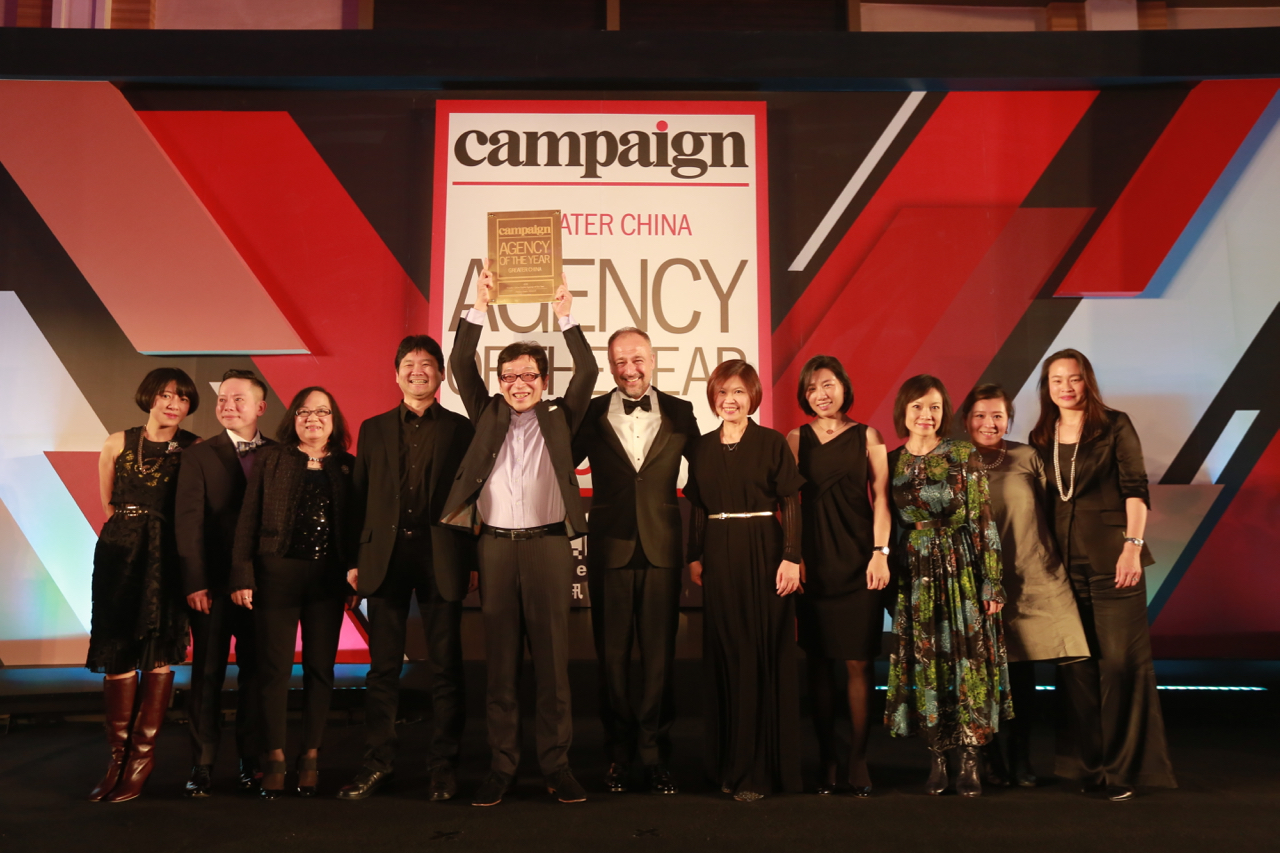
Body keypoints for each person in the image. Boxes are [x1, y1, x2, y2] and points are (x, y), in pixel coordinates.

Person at [440, 263, 597, 806]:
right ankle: (502, 768)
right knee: (500, 668)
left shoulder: (561, 417)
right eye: (509, 376)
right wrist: (479, 306)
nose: (519, 384)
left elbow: (588, 370)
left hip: (550, 547)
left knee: (553, 668)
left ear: (543, 381)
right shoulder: (486, 412)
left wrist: (566, 317)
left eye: (529, 375)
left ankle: (558, 767)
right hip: (496, 548)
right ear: (500, 382)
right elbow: (460, 361)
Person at [1028, 349, 1176, 801]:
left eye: (1073, 378)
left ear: (1087, 381)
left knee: (1120, 666)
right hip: (1062, 567)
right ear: (1046, 387)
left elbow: (1136, 489)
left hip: (1115, 561)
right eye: (1056, 380)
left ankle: (1124, 770)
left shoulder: (1115, 425)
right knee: (1076, 668)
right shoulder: (1041, 435)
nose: (1065, 387)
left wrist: (1132, 547)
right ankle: (1088, 767)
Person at [338, 336, 477, 802]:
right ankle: (378, 764)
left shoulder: (461, 429)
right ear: (396, 374)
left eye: (428, 363)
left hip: (442, 557)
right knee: (382, 670)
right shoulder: (373, 428)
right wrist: (354, 560)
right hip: (385, 559)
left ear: (441, 374)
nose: (418, 371)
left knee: (446, 669)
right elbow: (359, 497)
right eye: (409, 364)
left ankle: (444, 768)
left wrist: (471, 560)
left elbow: (475, 499)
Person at [572, 327, 700, 795]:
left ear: (653, 359)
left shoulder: (681, 411)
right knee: (612, 659)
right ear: (609, 366)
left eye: (638, 359)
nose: (630, 369)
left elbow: (707, 478)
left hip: (663, 548)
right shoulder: (590, 412)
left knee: (660, 658)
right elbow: (559, 463)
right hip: (609, 548)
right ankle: (618, 756)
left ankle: (655, 755)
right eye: (621, 361)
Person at [884, 374, 1008, 798]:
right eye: (918, 406)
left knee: (967, 660)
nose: (926, 414)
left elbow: (983, 519)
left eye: (934, 407)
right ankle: (937, 757)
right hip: (914, 572)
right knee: (927, 664)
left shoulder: (961, 454)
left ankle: (970, 760)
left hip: (961, 567)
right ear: (903, 410)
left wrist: (992, 582)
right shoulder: (892, 460)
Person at [959, 383, 1088, 788]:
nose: (989, 423)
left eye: (998, 415)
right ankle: (990, 757)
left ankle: (1021, 758)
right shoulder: (953, 461)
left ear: (1009, 420)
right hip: (974, 583)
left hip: (1030, 577)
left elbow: (1056, 510)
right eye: (980, 415)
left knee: (1022, 676)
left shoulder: (1027, 456)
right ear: (966, 420)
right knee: (981, 676)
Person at [686, 359, 804, 802]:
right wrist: (694, 556)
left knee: (758, 653)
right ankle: (726, 764)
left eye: (738, 392)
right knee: (726, 653)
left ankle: (757, 771)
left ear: (752, 396)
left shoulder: (771, 442)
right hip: (718, 555)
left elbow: (790, 501)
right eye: (722, 392)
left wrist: (791, 556)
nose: (729, 400)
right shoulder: (701, 447)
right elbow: (699, 507)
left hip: (764, 551)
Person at [231, 387, 357, 799]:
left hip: (328, 581)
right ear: (293, 419)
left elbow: (357, 527)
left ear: (334, 420)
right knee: (274, 671)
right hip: (276, 576)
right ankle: (275, 757)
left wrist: (357, 576)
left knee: (321, 669)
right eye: (304, 412)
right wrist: (242, 575)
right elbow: (248, 519)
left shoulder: (348, 466)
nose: (313, 418)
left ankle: (311, 757)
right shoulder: (272, 459)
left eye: (322, 411)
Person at [87, 367, 200, 803]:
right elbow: (108, 503)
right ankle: (116, 759)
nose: (173, 404)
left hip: (166, 558)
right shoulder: (117, 442)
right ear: (149, 396)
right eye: (167, 395)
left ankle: (141, 760)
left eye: (183, 398)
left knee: (156, 653)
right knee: (116, 650)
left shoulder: (195, 449)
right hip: (118, 554)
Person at [785, 355, 890, 797]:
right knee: (820, 662)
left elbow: (881, 496)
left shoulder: (869, 436)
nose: (821, 394)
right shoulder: (796, 438)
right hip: (814, 562)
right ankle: (828, 757)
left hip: (860, 560)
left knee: (859, 663)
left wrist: (880, 553)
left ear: (844, 386)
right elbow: (788, 502)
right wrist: (792, 554)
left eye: (827, 384)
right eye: (811, 388)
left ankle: (858, 759)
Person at [176, 369, 273, 797]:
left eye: (238, 399)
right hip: (212, 588)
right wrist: (195, 581)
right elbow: (188, 524)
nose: (228, 406)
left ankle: (251, 760)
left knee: (256, 675)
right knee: (207, 673)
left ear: (260, 407)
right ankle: (202, 763)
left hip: (263, 588)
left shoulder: (280, 454)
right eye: (222, 400)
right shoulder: (198, 455)